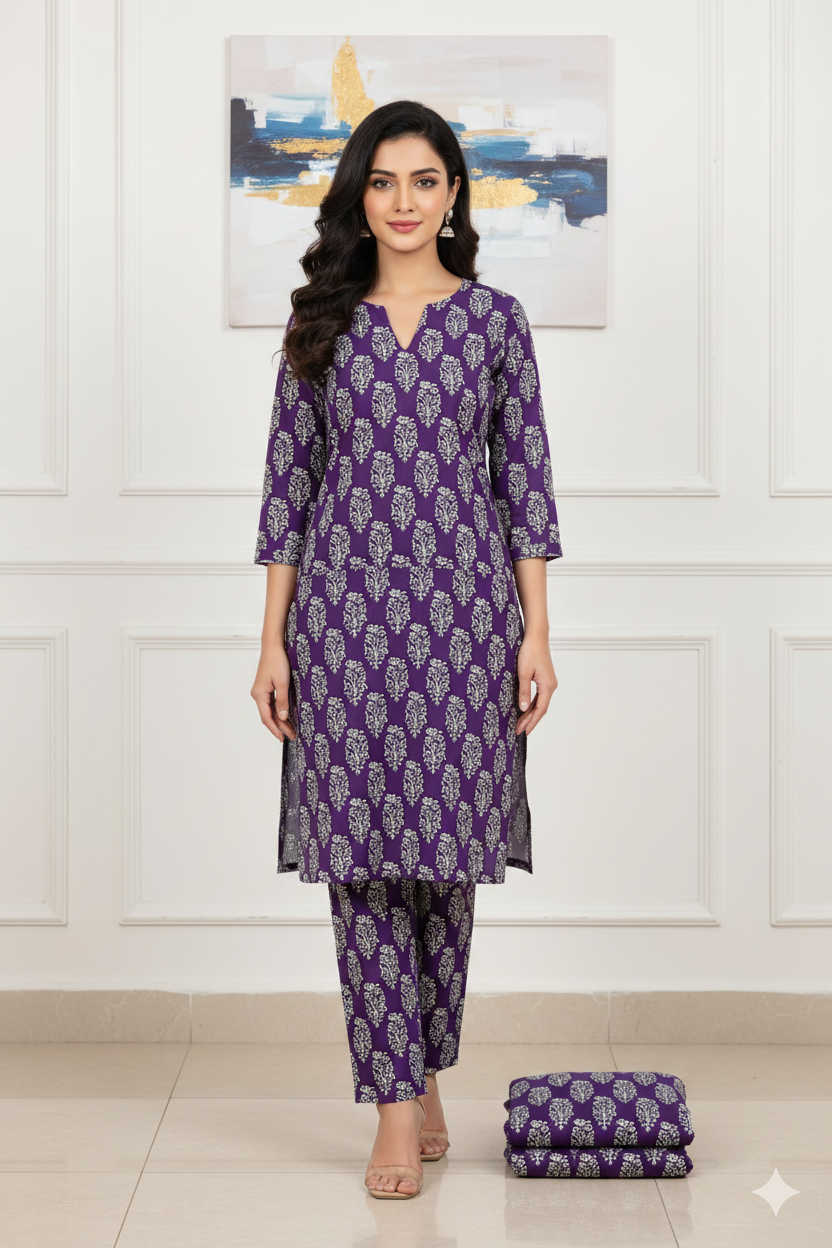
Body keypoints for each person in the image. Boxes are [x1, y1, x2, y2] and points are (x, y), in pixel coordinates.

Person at [251, 99, 562, 1200]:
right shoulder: (322, 325)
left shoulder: (496, 324)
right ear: (359, 194)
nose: (402, 202)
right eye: (382, 182)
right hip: (341, 631)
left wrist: (536, 630)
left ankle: (423, 1064)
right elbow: (287, 489)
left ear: (453, 195)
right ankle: (392, 1107)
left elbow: (524, 482)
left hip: (467, 628)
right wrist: (271, 641)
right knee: (362, 867)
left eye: (424, 181)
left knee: (445, 867)